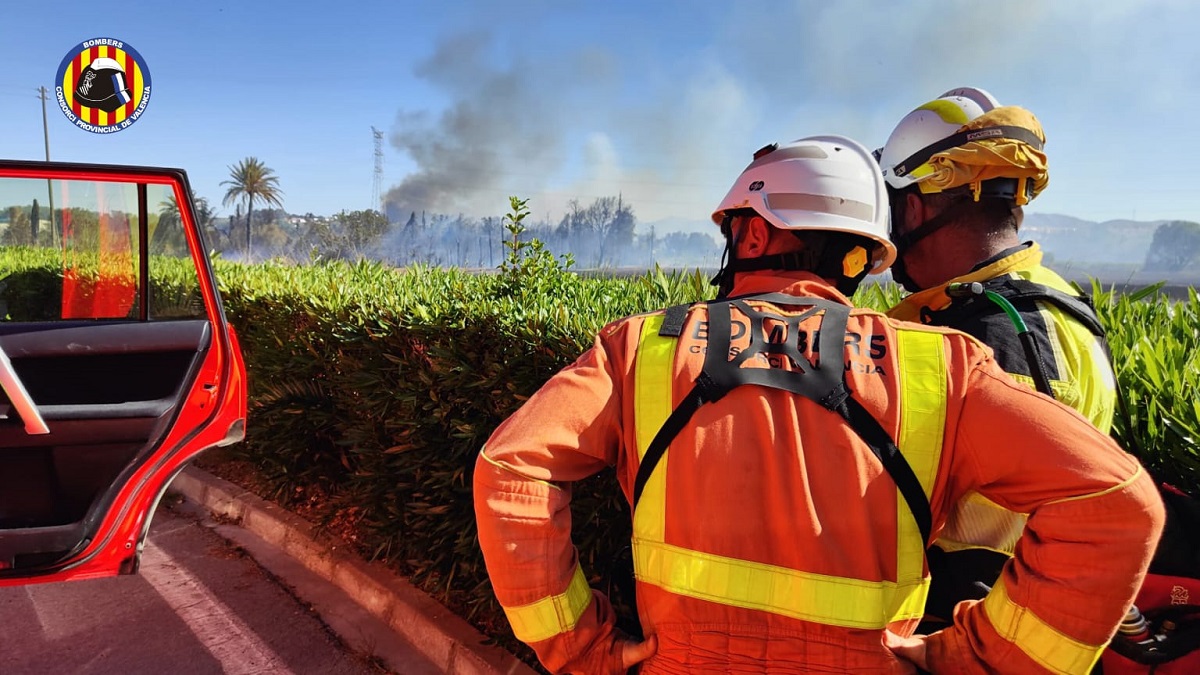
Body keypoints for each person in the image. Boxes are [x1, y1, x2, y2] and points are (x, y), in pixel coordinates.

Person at [473, 134, 1164, 674]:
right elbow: (1118, 504)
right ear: (862, 256)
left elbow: (510, 468)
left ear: (753, 234)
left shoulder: (642, 349)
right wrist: (978, 659)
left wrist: (580, 648)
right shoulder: (939, 366)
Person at [875, 87, 1122, 624]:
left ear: (912, 208)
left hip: (959, 635)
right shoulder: (1056, 305)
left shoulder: (989, 338)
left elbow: (973, 557)